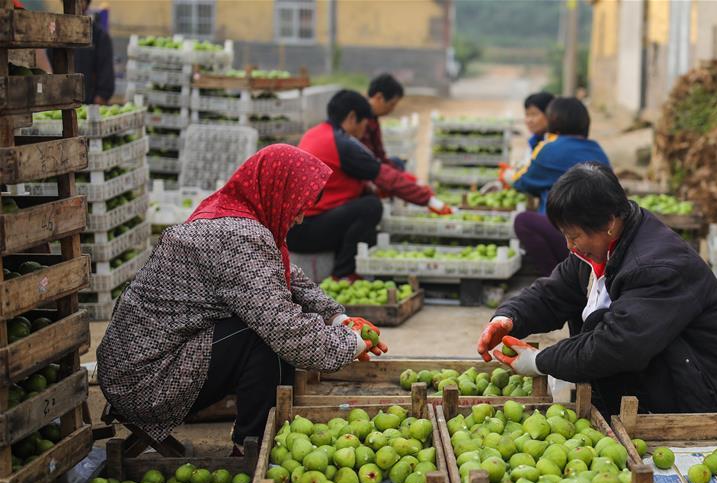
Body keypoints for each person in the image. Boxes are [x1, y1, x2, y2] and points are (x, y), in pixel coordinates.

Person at [96, 145, 388, 451]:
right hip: (145, 383)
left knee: (263, 320)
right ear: (279, 191)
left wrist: (338, 318)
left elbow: (284, 277)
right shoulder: (238, 237)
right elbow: (286, 329)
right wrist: (350, 343)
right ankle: (253, 445)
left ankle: (255, 435)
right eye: (299, 205)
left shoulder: (231, 214)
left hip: (136, 367)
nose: (301, 218)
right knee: (264, 336)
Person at [477, 162, 717, 417]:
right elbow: (552, 293)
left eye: (574, 236)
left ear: (608, 222)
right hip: (664, 383)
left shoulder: (658, 267)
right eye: (565, 235)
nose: (569, 246)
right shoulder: (596, 250)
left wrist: (540, 361)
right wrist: (508, 318)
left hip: (706, 403)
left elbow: (618, 344)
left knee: (602, 330)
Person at [290, 90, 447, 280]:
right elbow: (386, 176)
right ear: (352, 117)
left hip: (298, 226)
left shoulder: (316, 133)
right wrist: (429, 200)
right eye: (365, 122)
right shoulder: (342, 144)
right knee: (370, 207)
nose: (365, 129)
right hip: (305, 230)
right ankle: (343, 274)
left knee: (366, 200)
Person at [512, 97, 611, 276]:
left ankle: (554, 278)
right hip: (601, 237)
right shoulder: (597, 149)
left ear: (553, 121)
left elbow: (523, 182)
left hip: (571, 236)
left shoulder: (550, 149)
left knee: (523, 221)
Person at [359, 73, 452, 214]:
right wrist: (424, 196)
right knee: (374, 202)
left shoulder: (373, 119)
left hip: (371, 167)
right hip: (363, 174)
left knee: (397, 164)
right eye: (391, 104)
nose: (392, 109)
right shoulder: (362, 122)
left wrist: (411, 181)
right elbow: (372, 164)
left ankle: (393, 205)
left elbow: (380, 156)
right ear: (378, 98)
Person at [49, 0, 114, 103]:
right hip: (59, 105)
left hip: (88, 107)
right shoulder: (54, 35)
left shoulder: (99, 36)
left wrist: (93, 111)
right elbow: (48, 72)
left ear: (86, 3)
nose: (75, 3)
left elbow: (105, 84)